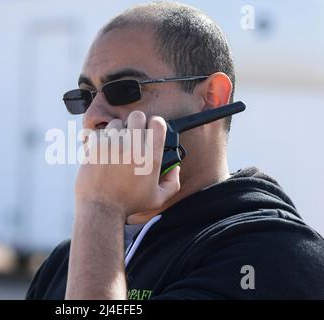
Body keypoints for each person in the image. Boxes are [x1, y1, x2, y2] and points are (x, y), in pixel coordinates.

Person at [26, 2, 324, 299]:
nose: (92, 116)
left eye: (124, 90)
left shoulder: (270, 254)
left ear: (211, 97)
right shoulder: (66, 263)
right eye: (85, 96)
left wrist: (101, 206)